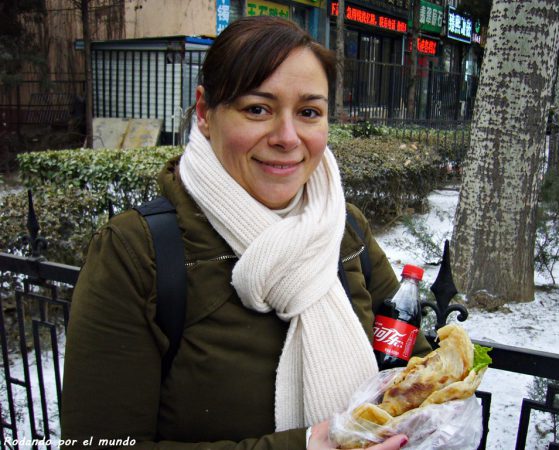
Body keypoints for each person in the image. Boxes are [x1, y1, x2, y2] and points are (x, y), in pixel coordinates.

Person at [60, 16, 431, 449]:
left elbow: (415, 367)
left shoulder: (344, 229)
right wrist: (310, 445)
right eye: (257, 109)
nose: (288, 137)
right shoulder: (135, 252)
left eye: (309, 112)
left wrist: (436, 410)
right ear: (204, 113)